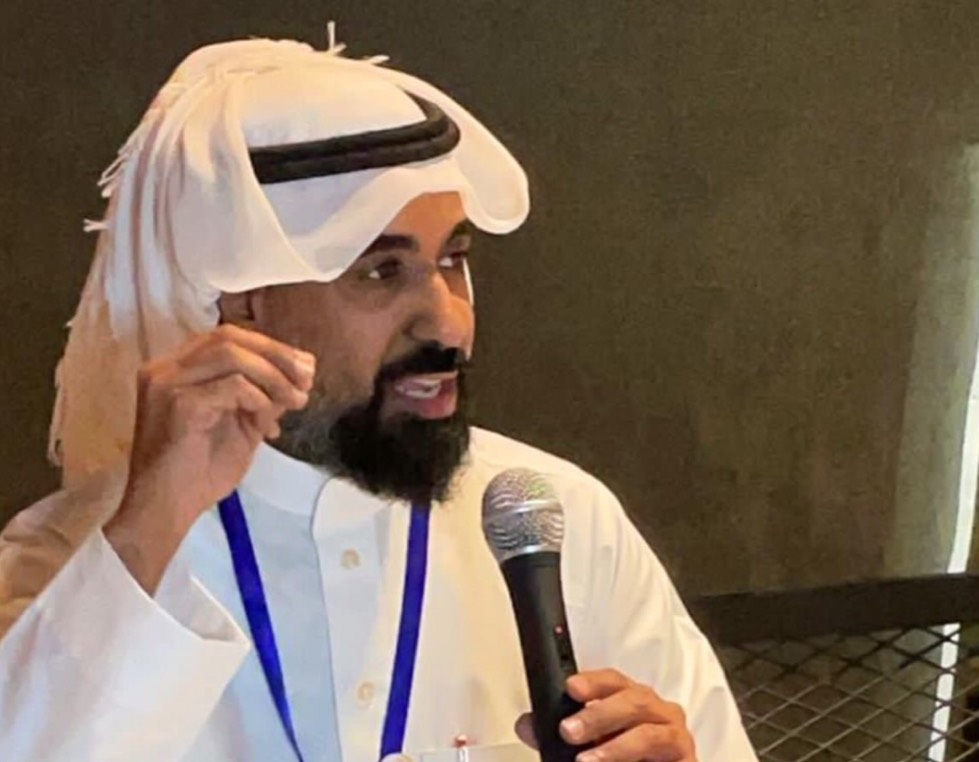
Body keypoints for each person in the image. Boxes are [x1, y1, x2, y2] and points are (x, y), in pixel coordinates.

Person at [0, 34, 757, 762]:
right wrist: (146, 532)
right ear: (245, 303)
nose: (449, 324)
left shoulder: (564, 520)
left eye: (453, 260)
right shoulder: (66, 556)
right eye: (381, 273)